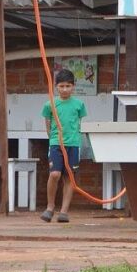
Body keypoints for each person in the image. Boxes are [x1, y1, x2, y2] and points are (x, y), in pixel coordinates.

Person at [40, 69, 87, 224]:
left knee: (69, 177)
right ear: (56, 87)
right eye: (61, 86)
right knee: (55, 174)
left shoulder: (79, 105)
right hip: (56, 143)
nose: (65, 89)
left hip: (73, 144)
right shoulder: (50, 104)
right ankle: (50, 207)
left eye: (68, 86)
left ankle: (64, 211)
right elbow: (47, 124)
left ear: (73, 86)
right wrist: (53, 138)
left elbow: (81, 124)